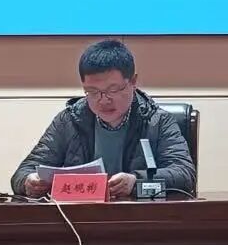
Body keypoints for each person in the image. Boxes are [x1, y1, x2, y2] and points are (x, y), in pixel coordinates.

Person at [12, 38, 196, 198]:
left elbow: (185, 174)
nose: (103, 100)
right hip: (79, 219)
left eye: (112, 90)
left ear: (133, 81)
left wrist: (135, 182)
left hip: (139, 219)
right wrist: (29, 182)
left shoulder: (158, 121)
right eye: (92, 92)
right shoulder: (69, 120)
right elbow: (23, 172)